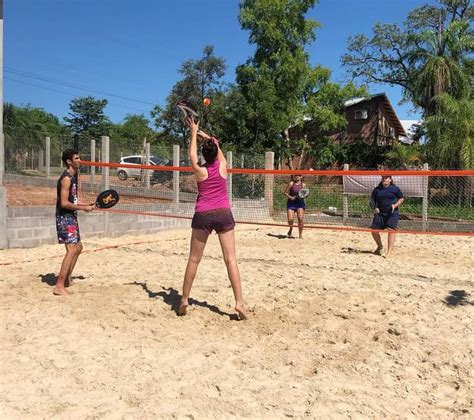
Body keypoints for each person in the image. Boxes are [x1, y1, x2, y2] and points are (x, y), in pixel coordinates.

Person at [178, 117, 246, 320]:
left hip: (203, 214)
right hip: (223, 213)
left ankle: (184, 300)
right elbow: (217, 147)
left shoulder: (200, 171)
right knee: (231, 260)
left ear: (204, 155)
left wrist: (193, 132)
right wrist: (207, 136)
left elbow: (191, 155)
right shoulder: (223, 166)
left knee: (194, 259)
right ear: (216, 153)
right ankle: (239, 303)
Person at [54, 149, 94, 295]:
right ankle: (59, 286)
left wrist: (86, 205)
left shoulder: (73, 177)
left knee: (78, 247)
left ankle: (66, 280)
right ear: (69, 161)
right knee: (71, 250)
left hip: (71, 216)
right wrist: (83, 209)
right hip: (65, 217)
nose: (80, 160)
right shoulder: (66, 178)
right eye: (77, 158)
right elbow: (64, 203)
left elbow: (73, 201)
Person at [370, 175, 404, 257]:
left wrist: (395, 205)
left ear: (390, 180)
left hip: (392, 213)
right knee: (373, 230)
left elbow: (401, 198)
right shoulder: (377, 190)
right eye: (383, 178)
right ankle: (380, 246)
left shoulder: (395, 189)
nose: (384, 180)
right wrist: (374, 208)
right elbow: (372, 200)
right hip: (380, 213)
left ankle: (389, 252)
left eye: (386, 178)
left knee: (391, 230)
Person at [284, 174, 306, 239]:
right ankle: (291, 228)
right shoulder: (291, 183)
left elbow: (304, 194)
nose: (297, 176)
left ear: (301, 177)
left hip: (300, 204)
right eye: (295, 175)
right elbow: (285, 192)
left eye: (298, 175)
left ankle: (300, 235)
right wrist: (290, 197)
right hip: (291, 203)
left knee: (300, 219)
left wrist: (303, 196)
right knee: (290, 219)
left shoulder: (303, 185)